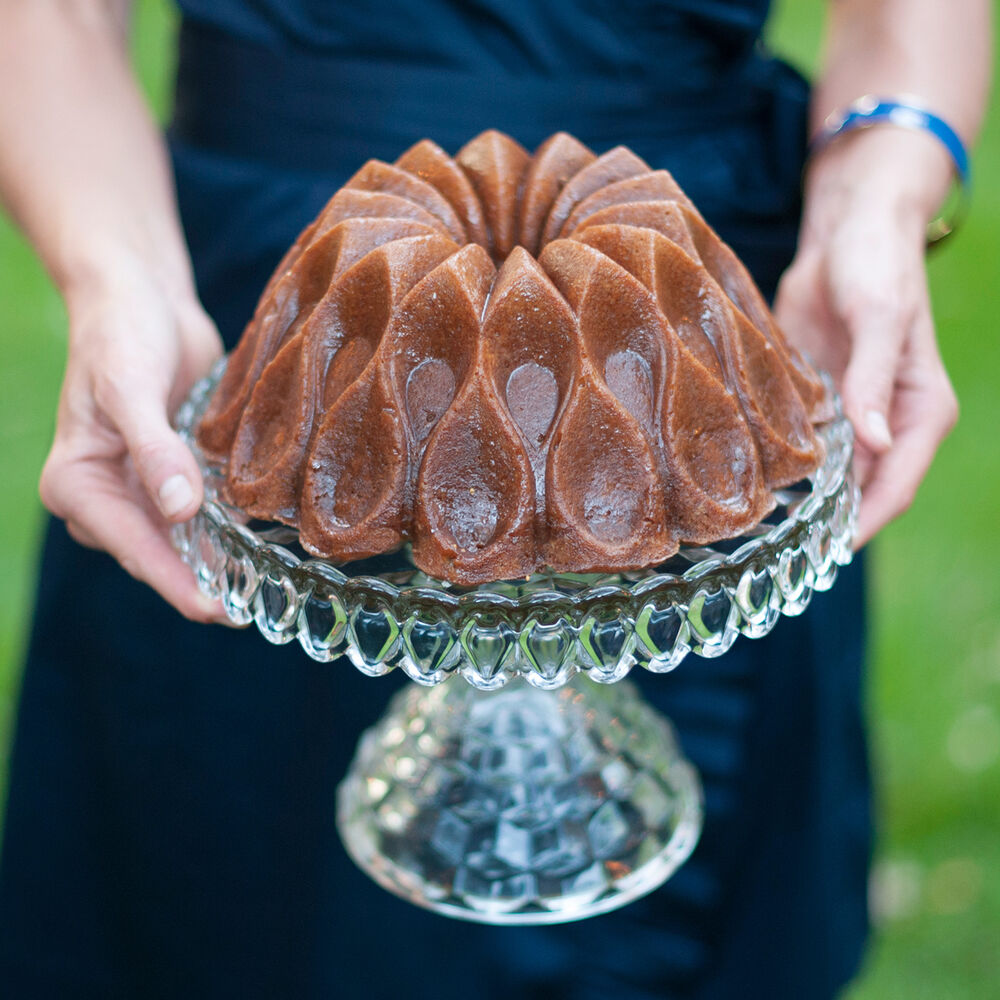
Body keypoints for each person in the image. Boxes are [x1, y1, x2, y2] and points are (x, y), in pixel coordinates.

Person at [0, 1, 989, 997]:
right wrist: (114, 277)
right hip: (294, 326)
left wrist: (881, 195)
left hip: (673, 351)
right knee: (223, 906)